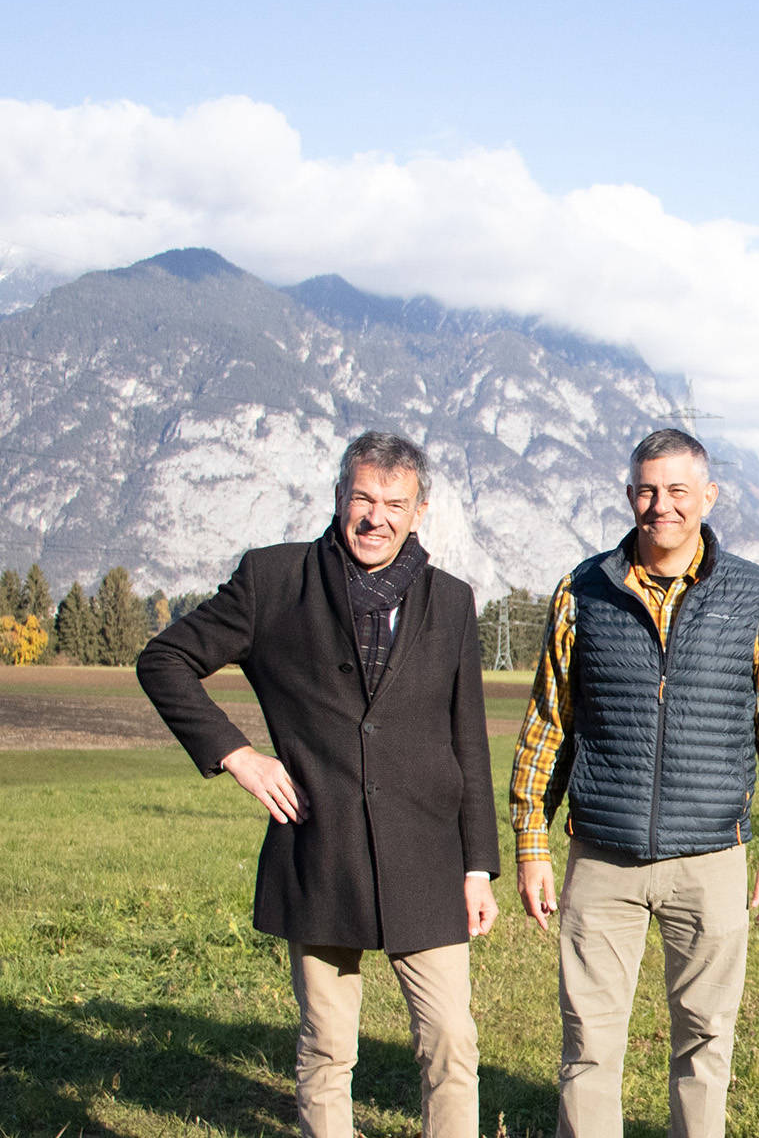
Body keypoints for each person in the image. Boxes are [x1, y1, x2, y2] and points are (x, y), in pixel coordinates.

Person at [137, 431, 501, 1138]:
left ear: (419, 509)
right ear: (339, 498)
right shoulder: (275, 580)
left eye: (394, 503)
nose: (377, 517)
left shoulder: (451, 601)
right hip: (321, 847)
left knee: (452, 1041)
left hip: (427, 858)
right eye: (363, 498)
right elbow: (165, 660)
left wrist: (478, 864)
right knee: (328, 1047)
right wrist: (239, 755)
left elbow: (468, 740)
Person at [509, 428, 759, 1138]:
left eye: (678, 490)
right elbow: (549, 721)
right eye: (647, 489)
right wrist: (531, 841)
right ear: (628, 494)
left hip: (709, 857)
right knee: (589, 1042)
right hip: (602, 858)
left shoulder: (754, 595)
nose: (661, 505)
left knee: (706, 1041)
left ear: (707, 495)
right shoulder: (583, 590)